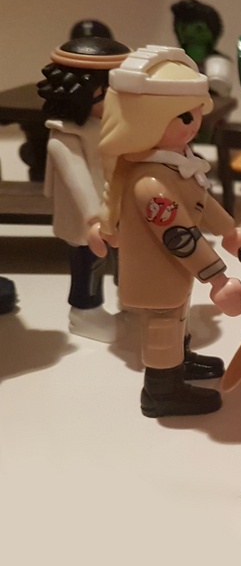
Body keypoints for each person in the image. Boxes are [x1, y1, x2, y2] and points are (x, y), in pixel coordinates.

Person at [91, 45, 241, 417]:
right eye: (184, 117)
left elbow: (200, 201)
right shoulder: (150, 182)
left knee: (178, 316)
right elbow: (179, 235)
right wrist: (217, 278)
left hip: (172, 272)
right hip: (158, 271)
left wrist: (228, 229)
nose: (195, 125)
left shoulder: (174, 163)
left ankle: (180, 361)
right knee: (164, 324)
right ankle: (161, 391)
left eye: (197, 113)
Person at [37, 35, 131, 341]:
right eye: (109, 93)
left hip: (120, 206)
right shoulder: (65, 135)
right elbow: (75, 175)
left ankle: (130, 302)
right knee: (90, 261)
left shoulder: (114, 124)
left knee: (127, 258)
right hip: (88, 215)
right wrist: (93, 218)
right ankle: (85, 312)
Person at [170, 0, 234, 97]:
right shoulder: (173, 61)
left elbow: (221, 89)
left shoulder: (218, 63)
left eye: (199, 29)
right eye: (183, 28)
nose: (189, 33)